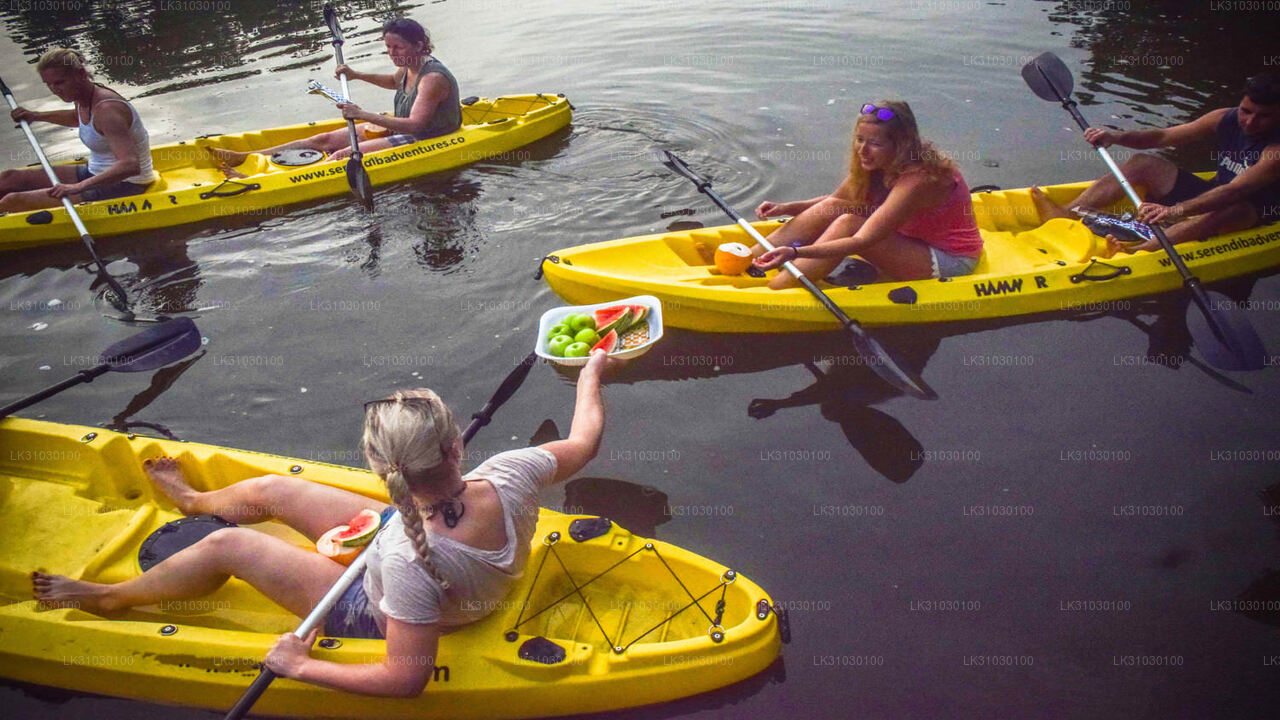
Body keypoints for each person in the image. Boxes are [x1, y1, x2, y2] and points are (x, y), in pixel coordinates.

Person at [32, 350, 609, 698]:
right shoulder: (513, 470)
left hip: (391, 602)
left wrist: (300, 666)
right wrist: (590, 374)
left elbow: (404, 680)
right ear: (457, 445)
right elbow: (584, 439)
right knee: (274, 490)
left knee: (231, 546)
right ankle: (194, 502)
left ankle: (111, 599)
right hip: (416, 534)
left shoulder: (411, 563)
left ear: (379, 468)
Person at [1031, 70, 1280, 256]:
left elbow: (1234, 191)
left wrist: (1175, 211)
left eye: (1263, 117)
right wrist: (1116, 137)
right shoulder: (1223, 118)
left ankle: (1139, 252)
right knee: (1143, 163)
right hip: (1217, 190)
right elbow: (1162, 137)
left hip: (1252, 211)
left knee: (1230, 207)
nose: (1249, 122)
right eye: (1246, 111)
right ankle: (1065, 215)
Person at [750, 100, 984, 289]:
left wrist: (795, 252)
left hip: (949, 260)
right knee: (837, 206)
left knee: (848, 223)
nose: (862, 150)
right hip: (910, 239)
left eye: (875, 143)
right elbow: (838, 200)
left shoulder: (919, 179)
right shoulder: (876, 162)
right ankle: (750, 259)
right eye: (860, 140)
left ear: (900, 145)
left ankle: (779, 288)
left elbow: (861, 240)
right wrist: (787, 208)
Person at [210, 17, 461, 172]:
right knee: (324, 139)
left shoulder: (432, 79)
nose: (392, 53)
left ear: (418, 45)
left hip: (425, 136)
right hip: (404, 127)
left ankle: (266, 181)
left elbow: (416, 124)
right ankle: (245, 157)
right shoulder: (409, 65)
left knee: (342, 155)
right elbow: (392, 81)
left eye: (398, 47)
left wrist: (363, 114)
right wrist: (356, 74)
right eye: (388, 47)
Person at [0, 48, 159, 212]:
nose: (55, 90)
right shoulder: (82, 96)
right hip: (94, 172)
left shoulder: (107, 110)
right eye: (49, 84)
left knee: (12, 201)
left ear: (81, 74)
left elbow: (130, 166)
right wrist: (35, 116)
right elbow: (78, 118)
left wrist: (78, 187)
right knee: (8, 179)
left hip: (126, 184)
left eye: (59, 82)